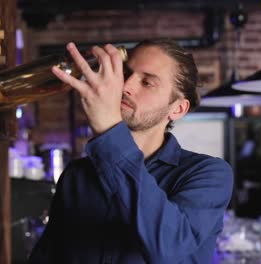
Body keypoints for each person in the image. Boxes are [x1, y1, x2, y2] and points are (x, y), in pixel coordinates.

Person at [28, 39, 233, 264]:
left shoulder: (208, 174)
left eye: (147, 82)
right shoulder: (78, 174)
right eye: (126, 74)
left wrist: (109, 130)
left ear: (177, 109)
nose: (126, 86)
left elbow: (169, 248)